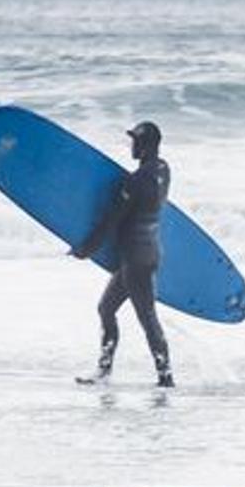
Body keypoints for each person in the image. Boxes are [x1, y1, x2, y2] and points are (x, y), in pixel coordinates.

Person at [76, 118, 175, 388]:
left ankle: (166, 378)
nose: (131, 145)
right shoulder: (164, 170)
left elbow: (112, 220)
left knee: (147, 319)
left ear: (143, 146)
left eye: (134, 141)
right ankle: (104, 371)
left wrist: (87, 248)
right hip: (150, 252)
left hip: (135, 259)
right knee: (106, 309)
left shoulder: (136, 181)